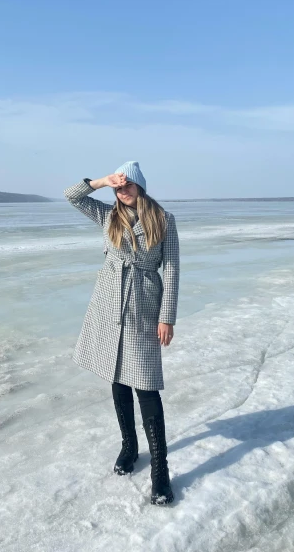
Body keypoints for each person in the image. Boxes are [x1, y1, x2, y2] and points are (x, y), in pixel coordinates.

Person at [64, 161, 180, 505]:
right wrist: (101, 181)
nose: (122, 191)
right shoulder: (108, 215)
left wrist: (167, 317)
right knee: (117, 376)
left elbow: (171, 269)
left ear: (141, 187)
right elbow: (72, 196)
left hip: (144, 302)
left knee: (146, 385)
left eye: (127, 185)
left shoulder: (163, 219)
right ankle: (129, 446)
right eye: (118, 187)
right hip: (109, 301)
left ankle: (160, 471)